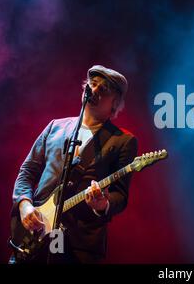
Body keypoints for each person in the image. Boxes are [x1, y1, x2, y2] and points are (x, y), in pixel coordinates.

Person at [10, 65, 138, 263]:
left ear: (115, 103)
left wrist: (102, 203)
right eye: (92, 84)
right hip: (36, 231)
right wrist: (24, 205)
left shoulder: (122, 141)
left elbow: (120, 195)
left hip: (78, 243)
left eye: (102, 89)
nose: (93, 90)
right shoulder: (55, 127)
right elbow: (27, 171)